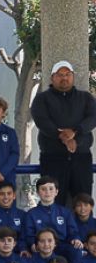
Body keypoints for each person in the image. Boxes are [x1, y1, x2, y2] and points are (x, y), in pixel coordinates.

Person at [31, 60, 96, 205]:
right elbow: (42, 121)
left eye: (67, 74)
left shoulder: (85, 98)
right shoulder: (42, 99)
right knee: (53, 203)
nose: (64, 78)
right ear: (52, 77)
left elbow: (92, 118)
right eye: (60, 75)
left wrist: (75, 132)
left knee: (83, 203)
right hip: (53, 159)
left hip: (81, 159)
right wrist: (64, 137)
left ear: (73, 76)